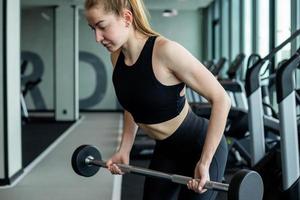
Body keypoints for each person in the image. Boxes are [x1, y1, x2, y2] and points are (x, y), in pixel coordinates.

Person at [84, 0, 231, 199]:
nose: (97, 37)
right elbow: (133, 102)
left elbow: (222, 99)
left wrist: (204, 162)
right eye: (93, 29)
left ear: (127, 18)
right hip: (166, 149)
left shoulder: (166, 51)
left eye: (102, 26)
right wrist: (124, 149)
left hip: (200, 146)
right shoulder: (116, 57)